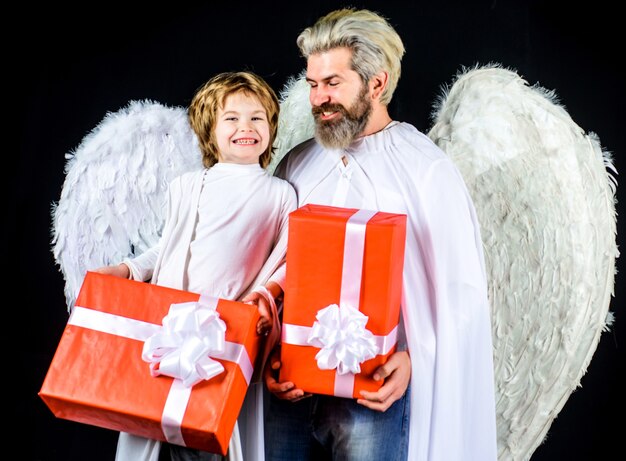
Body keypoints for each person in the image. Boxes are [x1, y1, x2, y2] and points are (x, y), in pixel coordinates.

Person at [263, 8, 498, 461]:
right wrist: (273, 349)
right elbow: (274, 271)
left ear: (376, 83)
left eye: (333, 83)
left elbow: (463, 294)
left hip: (373, 398)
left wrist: (413, 361)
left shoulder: (426, 170)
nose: (318, 99)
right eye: (313, 84)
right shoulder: (296, 163)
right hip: (289, 397)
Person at [95, 71, 297, 461]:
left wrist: (262, 300)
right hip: (170, 326)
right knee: (156, 432)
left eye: (257, 117)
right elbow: (165, 248)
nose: (246, 128)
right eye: (232, 118)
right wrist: (127, 270)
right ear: (210, 128)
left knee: (210, 438)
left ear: (271, 127)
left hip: (223, 336)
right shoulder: (187, 186)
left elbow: (287, 262)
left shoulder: (279, 195)